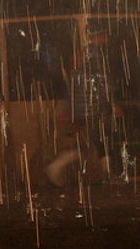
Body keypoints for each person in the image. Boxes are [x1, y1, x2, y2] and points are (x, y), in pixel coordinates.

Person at [46, 19, 122, 185]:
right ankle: (107, 175)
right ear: (98, 37)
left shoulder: (81, 55)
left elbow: (73, 85)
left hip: (81, 106)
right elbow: (103, 80)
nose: (106, 39)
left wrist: (71, 108)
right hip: (92, 106)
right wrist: (113, 102)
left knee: (91, 142)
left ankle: (59, 165)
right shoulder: (95, 55)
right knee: (101, 140)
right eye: (104, 35)